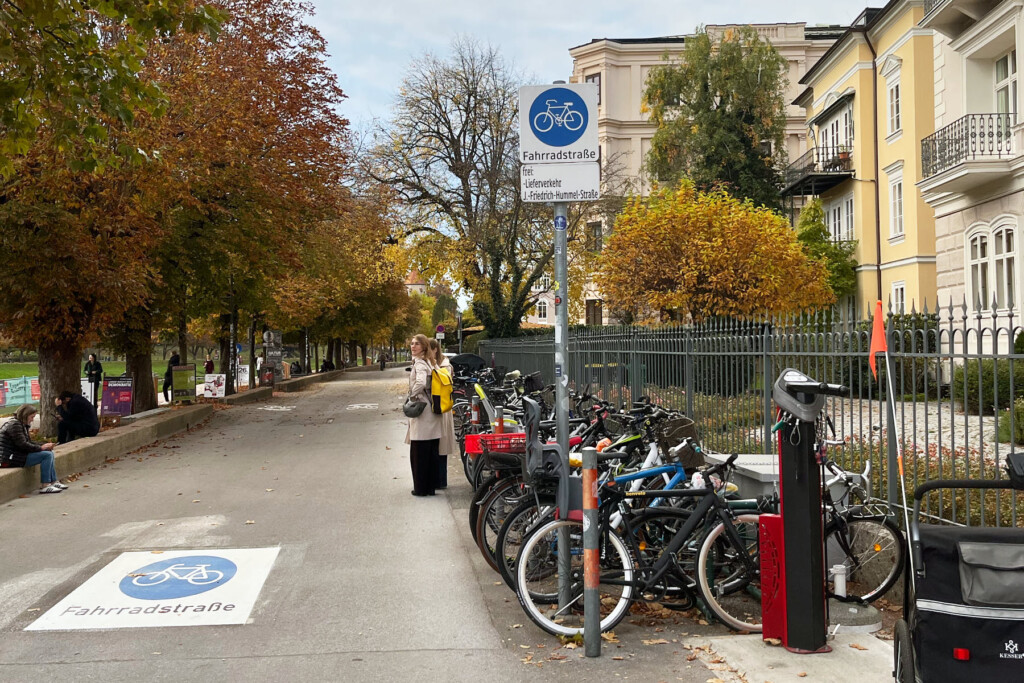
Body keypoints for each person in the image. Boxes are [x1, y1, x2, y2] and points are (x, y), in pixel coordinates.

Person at [405, 334, 442, 496]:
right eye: (412, 344)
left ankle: (420, 489)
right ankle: (430, 487)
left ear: (424, 347)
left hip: (422, 411)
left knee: (419, 452)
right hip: (433, 410)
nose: (413, 346)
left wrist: (412, 396)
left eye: (417, 344)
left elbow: (420, 382)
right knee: (432, 452)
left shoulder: (420, 363)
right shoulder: (431, 362)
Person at [0, 405, 65, 494]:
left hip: (16, 455)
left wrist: (44, 445)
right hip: (9, 458)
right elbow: (22, 444)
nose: (32, 419)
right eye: (32, 417)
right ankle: (45, 485)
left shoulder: (21, 424)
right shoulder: (14, 425)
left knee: (48, 452)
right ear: (25, 415)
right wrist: (41, 448)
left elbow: (28, 442)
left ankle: (53, 481)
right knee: (47, 455)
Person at [428, 338, 457, 490]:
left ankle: (440, 479)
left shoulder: (444, 367)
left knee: (441, 446)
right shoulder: (436, 365)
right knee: (436, 446)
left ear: (435, 350)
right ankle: (437, 479)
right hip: (437, 410)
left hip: (442, 409)